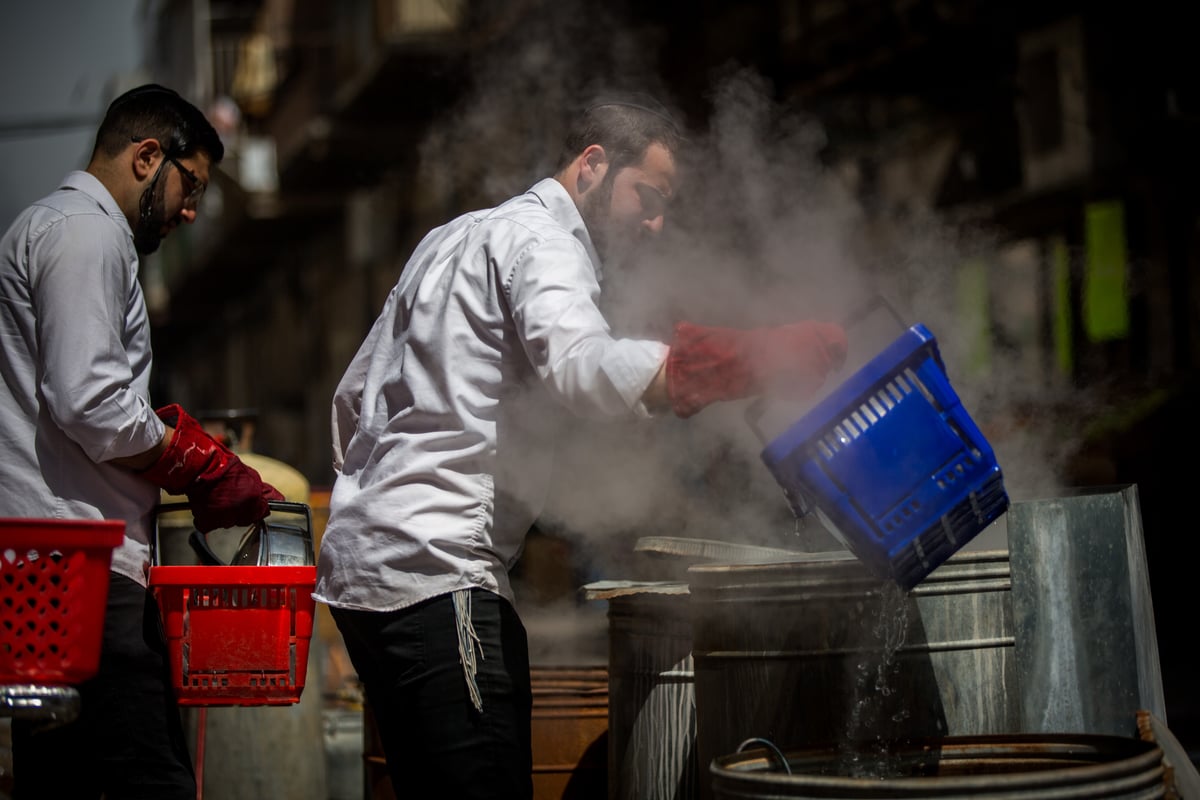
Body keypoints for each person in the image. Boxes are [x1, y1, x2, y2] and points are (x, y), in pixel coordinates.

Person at [314, 93, 848, 799]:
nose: (655, 225)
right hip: (438, 575)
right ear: (593, 165)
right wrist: (741, 359)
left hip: (368, 576)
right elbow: (582, 367)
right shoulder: (543, 243)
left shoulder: (455, 236)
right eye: (647, 197)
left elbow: (355, 400)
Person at [0, 83, 283, 799]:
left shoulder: (63, 228)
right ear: (146, 155)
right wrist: (199, 465)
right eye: (189, 185)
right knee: (147, 776)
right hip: (79, 567)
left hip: (63, 566)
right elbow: (92, 402)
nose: (191, 210)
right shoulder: (84, 231)